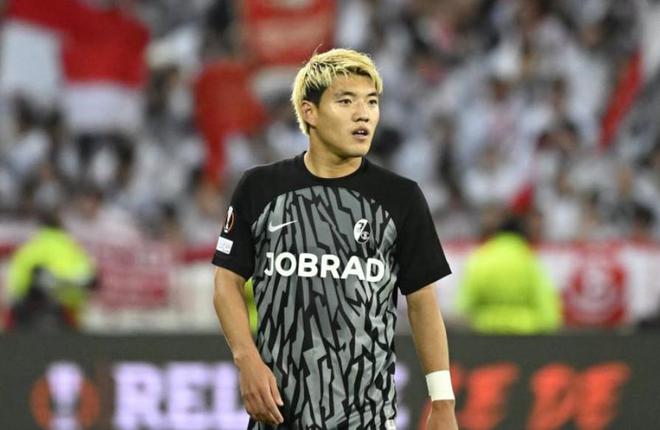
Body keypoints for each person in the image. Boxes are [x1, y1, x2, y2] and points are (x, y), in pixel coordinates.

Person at [212, 49, 457, 429]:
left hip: (367, 419)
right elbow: (226, 281)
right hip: (278, 418)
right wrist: (247, 360)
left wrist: (442, 401)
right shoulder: (260, 188)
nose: (364, 114)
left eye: (371, 102)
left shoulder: (400, 198)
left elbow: (423, 302)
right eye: (346, 101)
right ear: (309, 112)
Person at [457, 215, 561, 334]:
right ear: (523, 236)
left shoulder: (480, 259)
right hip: (525, 332)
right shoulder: (530, 261)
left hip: (485, 330)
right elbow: (547, 310)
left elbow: (464, 305)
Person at [4, 211, 97, 331]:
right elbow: (91, 279)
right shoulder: (74, 249)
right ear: (62, 227)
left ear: (39, 227)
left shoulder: (29, 248)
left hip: (31, 314)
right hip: (68, 315)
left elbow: (15, 287)